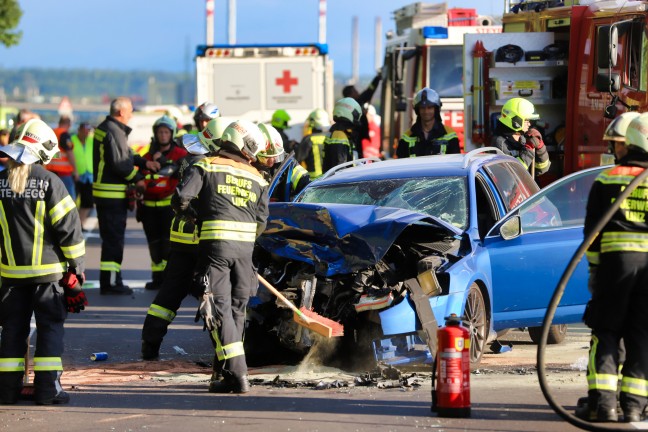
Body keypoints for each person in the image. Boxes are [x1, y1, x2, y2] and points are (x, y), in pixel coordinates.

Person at [172, 120, 269, 394]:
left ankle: (238, 372)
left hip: (216, 249)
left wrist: (195, 217)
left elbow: (181, 199)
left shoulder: (206, 165)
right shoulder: (258, 176)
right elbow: (262, 221)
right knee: (237, 311)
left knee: (218, 309)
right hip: (245, 252)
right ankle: (223, 373)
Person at [0, 119, 87, 406]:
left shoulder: (1, 182)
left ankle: (7, 391)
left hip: (10, 275)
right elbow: (69, 231)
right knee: (50, 328)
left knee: (13, 330)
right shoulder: (50, 182)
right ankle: (48, 390)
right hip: (49, 276)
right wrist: (77, 268)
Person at [578, 113, 648, 424]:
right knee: (641, 335)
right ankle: (633, 406)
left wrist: (595, 271)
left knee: (605, 331)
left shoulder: (608, 179)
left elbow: (591, 234)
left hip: (613, 268)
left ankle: (603, 404)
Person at [141, 117, 228, 361]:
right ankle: (225, 355)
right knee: (212, 295)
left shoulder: (190, 159)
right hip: (201, 240)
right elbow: (186, 199)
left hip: (181, 239)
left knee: (169, 294)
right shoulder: (206, 165)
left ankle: (150, 343)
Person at [93, 97, 160, 295]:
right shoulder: (114, 131)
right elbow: (121, 163)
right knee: (114, 240)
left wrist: (144, 163)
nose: (131, 114)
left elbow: (126, 154)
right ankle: (112, 283)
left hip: (107, 194)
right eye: (130, 110)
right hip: (111, 194)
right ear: (121, 112)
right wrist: (139, 178)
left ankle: (112, 280)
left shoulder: (109, 128)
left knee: (111, 240)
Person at [138, 115, 188, 290]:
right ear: (155, 134)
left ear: (172, 134)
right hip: (149, 208)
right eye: (160, 132)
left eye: (166, 131)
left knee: (169, 244)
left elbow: (183, 170)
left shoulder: (180, 154)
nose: (163, 135)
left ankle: (168, 278)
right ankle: (157, 277)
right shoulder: (147, 156)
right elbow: (140, 178)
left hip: (169, 207)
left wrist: (167, 163)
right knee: (154, 243)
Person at [490, 97, 550, 177]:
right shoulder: (500, 143)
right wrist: (528, 149)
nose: (529, 124)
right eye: (527, 120)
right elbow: (512, 176)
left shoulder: (523, 138)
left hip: (527, 188)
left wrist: (540, 147)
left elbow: (542, 169)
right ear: (515, 120)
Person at [396, 87, 460, 158]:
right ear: (418, 110)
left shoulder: (450, 135)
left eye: (429, 108)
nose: (426, 111)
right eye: (422, 108)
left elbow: (455, 164)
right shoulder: (407, 137)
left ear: (436, 109)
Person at [256, 123, 310, 201]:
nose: (271, 162)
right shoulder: (248, 166)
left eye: (276, 157)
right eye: (266, 159)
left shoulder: (288, 164)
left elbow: (306, 185)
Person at [342, 72, 382, 155]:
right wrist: (377, 78)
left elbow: (369, 90)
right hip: (356, 138)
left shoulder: (346, 107)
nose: (357, 92)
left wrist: (377, 79)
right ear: (350, 95)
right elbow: (369, 91)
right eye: (355, 91)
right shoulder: (354, 105)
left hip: (358, 137)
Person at [322, 97, 363, 172]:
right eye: (355, 114)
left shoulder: (341, 132)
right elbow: (340, 168)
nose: (357, 119)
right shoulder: (339, 135)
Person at [47, 115, 78, 200]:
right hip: (63, 172)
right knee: (70, 199)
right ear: (69, 124)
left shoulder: (52, 133)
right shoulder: (64, 134)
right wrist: (75, 170)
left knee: (53, 198)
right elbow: (69, 153)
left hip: (51, 171)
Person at [71, 122, 94, 229]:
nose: (86, 133)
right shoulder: (72, 140)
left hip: (89, 175)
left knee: (87, 202)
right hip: (75, 174)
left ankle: (80, 223)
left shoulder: (91, 141)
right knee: (73, 200)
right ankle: (74, 223)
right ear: (79, 130)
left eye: (88, 131)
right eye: (84, 131)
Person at [296, 108, 330, 180]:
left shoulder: (308, 139)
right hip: (329, 178)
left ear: (312, 122)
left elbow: (297, 159)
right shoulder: (330, 137)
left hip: (312, 181)